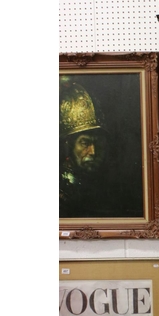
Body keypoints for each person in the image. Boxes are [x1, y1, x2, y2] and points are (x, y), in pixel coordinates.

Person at [59, 77, 112, 218]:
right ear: (68, 145)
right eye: (85, 143)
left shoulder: (106, 186)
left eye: (98, 143)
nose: (93, 152)